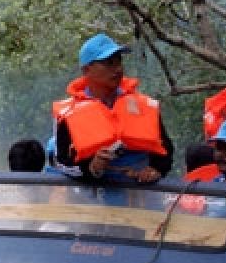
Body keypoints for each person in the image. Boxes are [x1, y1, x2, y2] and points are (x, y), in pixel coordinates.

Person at [54, 33, 174, 183]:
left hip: (141, 198)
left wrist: (157, 170)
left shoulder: (143, 105)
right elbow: (62, 163)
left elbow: (166, 149)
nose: (118, 69)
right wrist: (92, 167)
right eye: (109, 63)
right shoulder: (68, 114)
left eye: (119, 61)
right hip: (94, 200)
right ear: (86, 70)